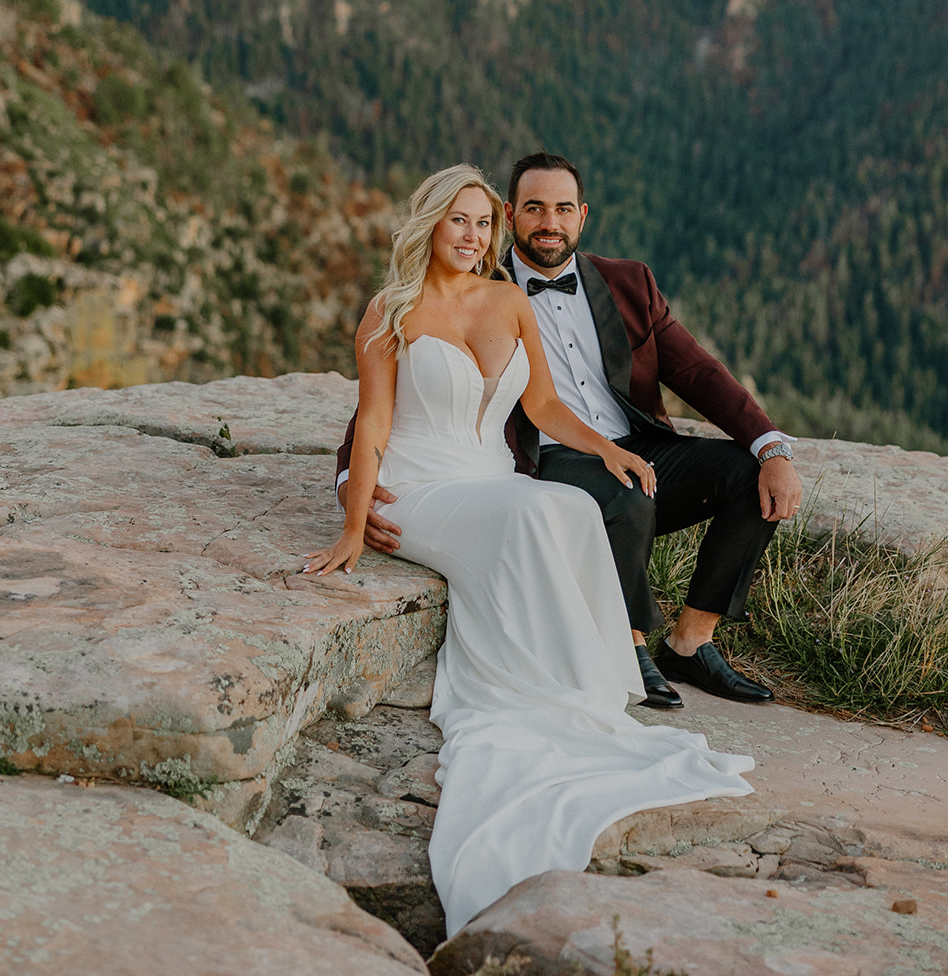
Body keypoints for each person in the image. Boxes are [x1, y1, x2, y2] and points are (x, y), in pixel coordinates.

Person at [306, 164, 754, 938]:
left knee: (567, 506)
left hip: (491, 475)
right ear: (429, 225)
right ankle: (562, 685)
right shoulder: (391, 310)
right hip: (422, 487)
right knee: (534, 515)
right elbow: (373, 423)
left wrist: (608, 452)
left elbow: (542, 404)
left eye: (482, 223)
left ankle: (588, 685)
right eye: (459, 221)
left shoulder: (508, 300)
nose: (473, 235)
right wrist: (352, 518)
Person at [336, 151, 803, 711]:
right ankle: (629, 647)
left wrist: (769, 444)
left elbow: (697, 371)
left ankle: (690, 642)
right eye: (534, 208)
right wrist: (352, 488)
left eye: (562, 209)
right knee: (622, 495)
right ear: (513, 215)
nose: (549, 223)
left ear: (582, 216)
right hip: (547, 459)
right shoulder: (481, 284)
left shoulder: (629, 283)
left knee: (750, 474)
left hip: (629, 445)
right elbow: (389, 403)